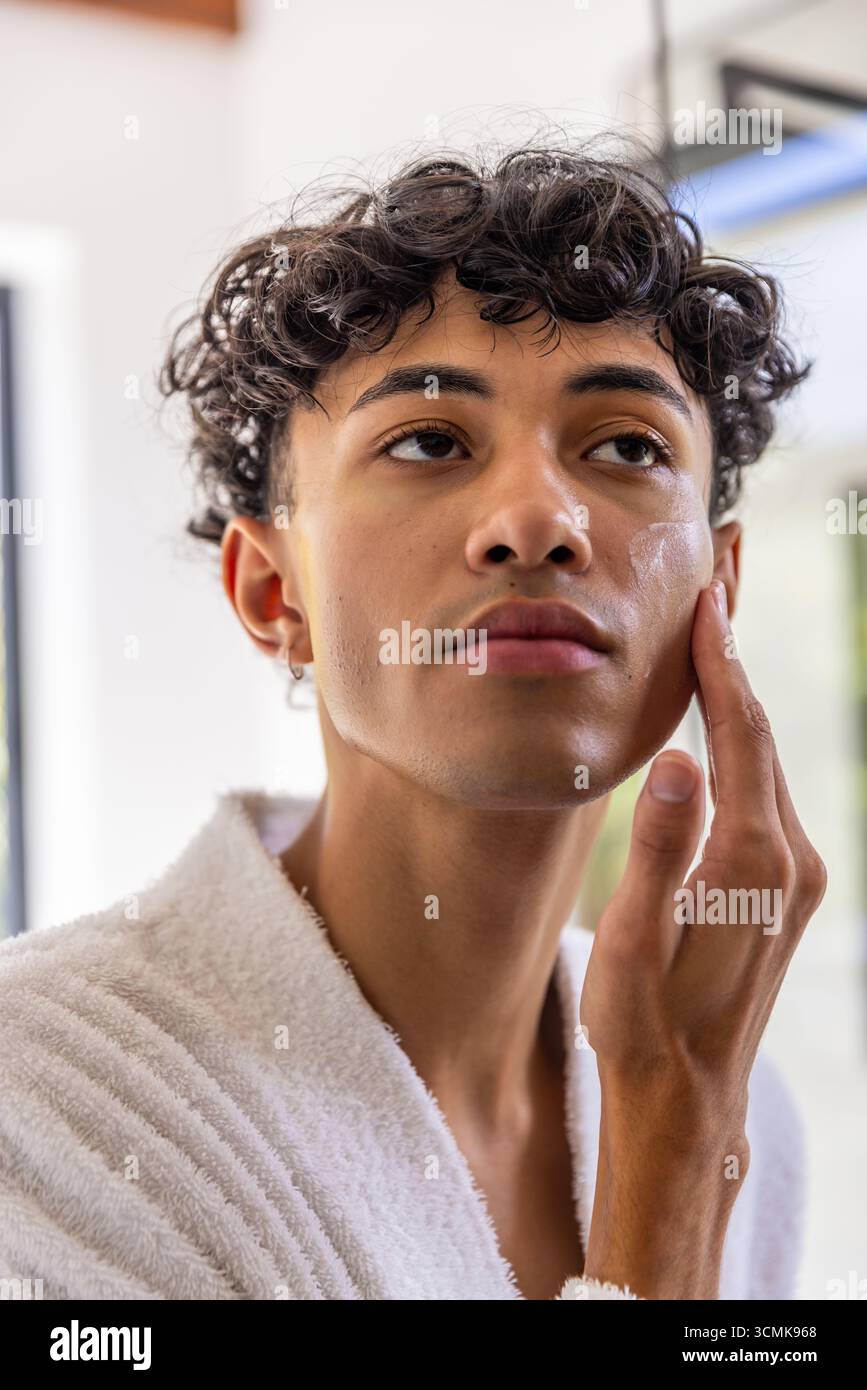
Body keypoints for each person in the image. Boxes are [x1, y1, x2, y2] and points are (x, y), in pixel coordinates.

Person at [0, 143, 826, 1301]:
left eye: (629, 446)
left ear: (720, 592)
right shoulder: (38, 1102)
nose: (537, 518)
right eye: (429, 443)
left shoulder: (747, 1109)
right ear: (271, 594)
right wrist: (666, 1192)